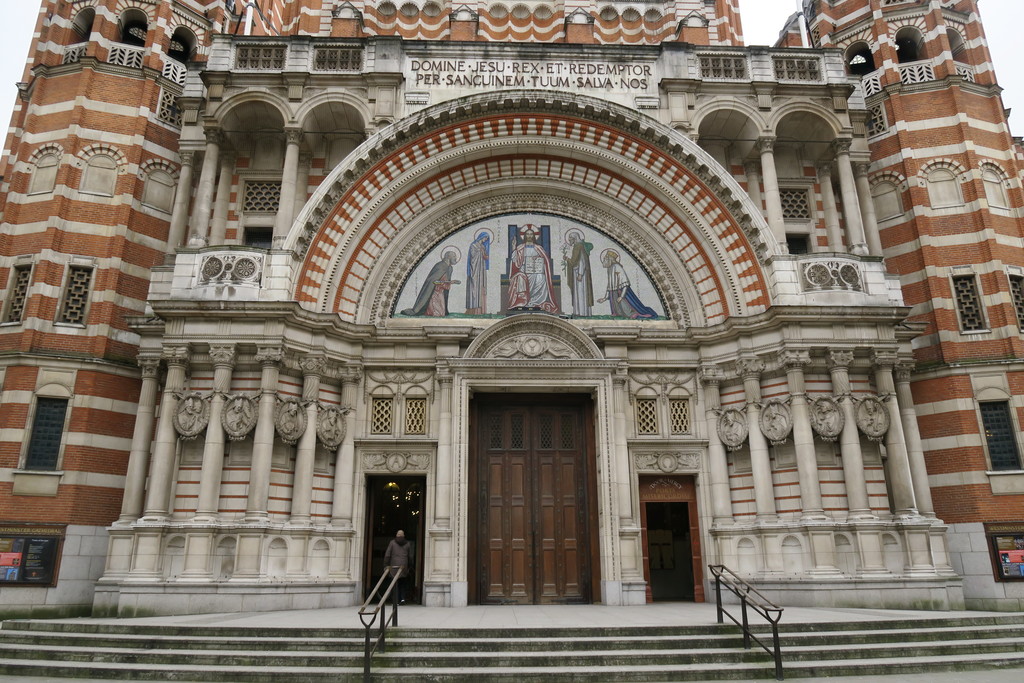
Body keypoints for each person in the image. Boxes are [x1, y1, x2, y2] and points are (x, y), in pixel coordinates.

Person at [507, 226, 558, 312]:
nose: (529, 236)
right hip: (524, 269)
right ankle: (523, 302)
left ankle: (534, 301)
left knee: (541, 278)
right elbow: (516, 261)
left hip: (536, 269)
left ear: (533, 236)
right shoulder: (520, 247)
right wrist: (513, 248)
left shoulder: (538, 248)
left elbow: (545, 261)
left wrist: (538, 262)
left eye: (531, 234)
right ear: (525, 236)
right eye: (528, 234)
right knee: (520, 277)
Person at [597, 250, 657, 319]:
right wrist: (604, 298)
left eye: (605, 259)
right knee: (617, 306)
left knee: (625, 306)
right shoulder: (610, 268)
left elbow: (625, 283)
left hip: (621, 291)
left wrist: (622, 296)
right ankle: (617, 313)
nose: (604, 261)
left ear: (610, 259)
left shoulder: (617, 267)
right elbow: (610, 285)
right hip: (614, 292)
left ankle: (633, 313)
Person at [402, 250, 461, 317]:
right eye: (454, 256)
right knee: (438, 314)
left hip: (441, 293)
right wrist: (451, 282)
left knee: (441, 314)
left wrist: (450, 282)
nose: (455, 258)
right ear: (448, 257)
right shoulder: (440, 266)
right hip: (434, 293)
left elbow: (446, 283)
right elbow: (433, 281)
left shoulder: (450, 268)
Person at [562, 230, 593, 317]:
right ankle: (578, 312)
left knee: (581, 293)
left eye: (571, 239)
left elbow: (582, 261)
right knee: (577, 293)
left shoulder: (579, 247)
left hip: (581, 275)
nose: (569, 241)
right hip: (577, 272)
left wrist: (580, 273)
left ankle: (583, 312)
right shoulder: (577, 246)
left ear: (575, 238)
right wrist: (568, 259)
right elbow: (575, 261)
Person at [465, 230, 490, 315]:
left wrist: (484, 253)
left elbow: (486, 257)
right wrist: (480, 252)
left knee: (481, 286)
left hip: (481, 269)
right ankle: (473, 310)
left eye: (487, 238)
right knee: (475, 287)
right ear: (481, 237)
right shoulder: (473, 245)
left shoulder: (483, 246)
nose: (486, 240)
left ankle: (481, 311)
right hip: (475, 269)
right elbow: (472, 258)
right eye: (485, 238)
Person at [383, 529, 411, 604]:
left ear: (396, 535)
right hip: (403, 566)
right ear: (403, 535)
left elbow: (387, 555)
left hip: (394, 566)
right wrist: (409, 566)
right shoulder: (407, 544)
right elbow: (409, 556)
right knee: (402, 583)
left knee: (394, 584)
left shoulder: (392, 543)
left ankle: (396, 600)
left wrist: (386, 565)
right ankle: (402, 598)